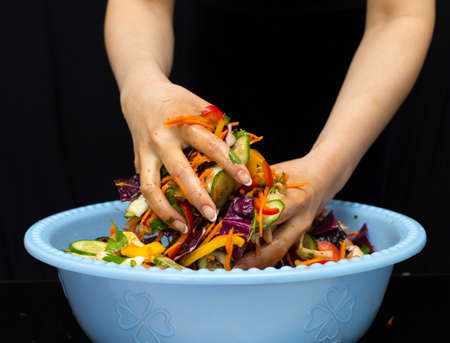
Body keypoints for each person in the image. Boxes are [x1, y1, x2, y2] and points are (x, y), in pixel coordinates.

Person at [103, 0, 435, 269]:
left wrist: (329, 166)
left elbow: (400, 14)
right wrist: (142, 84)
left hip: (359, 97)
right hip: (199, 78)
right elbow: (143, 4)